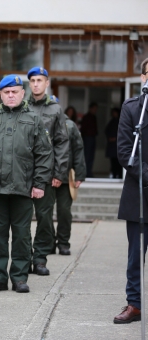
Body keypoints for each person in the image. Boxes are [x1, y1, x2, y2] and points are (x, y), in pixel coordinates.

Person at [0, 75, 52, 294]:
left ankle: (19, 277)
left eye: (14, 91)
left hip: (23, 189)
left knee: (21, 236)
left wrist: (39, 184)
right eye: (6, 92)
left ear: (22, 93)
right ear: (1, 94)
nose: (10, 95)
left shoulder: (33, 120)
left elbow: (44, 154)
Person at [114, 57, 148, 324]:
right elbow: (126, 152)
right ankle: (134, 304)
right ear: (143, 77)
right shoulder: (132, 108)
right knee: (136, 255)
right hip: (140, 194)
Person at [27, 67, 69, 276]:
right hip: (23, 173)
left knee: (44, 218)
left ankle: (40, 259)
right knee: (22, 220)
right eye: (32, 80)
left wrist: (59, 173)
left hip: (46, 173)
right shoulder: (21, 106)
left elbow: (62, 143)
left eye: (39, 80)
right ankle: (24, 258)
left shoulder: (55, 110)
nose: (36, 84)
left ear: (47, 83)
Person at [54, 109, 86, 256]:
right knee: (44, 214)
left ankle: (63, 243)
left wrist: (79, 174)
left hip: (66, 178)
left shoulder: (70, 126)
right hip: (45, 176)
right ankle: (47, 242)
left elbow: (78, 150)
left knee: (64, 212)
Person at [81, 102, 98, 177]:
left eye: (96, 109)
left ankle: (89, 172)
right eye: (94, 109)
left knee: (91, 156)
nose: (95, 111)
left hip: (92, 137)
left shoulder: (94, 117)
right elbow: (83, 129)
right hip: (87, 138)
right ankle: (86, 173)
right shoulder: (86, 117)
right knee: (87, 156)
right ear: (90, 109)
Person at [105, 108, 122, 179]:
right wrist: (110, 138)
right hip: (112, 145)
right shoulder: (111, 121)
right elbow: (106, 130)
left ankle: (119, 175)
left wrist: (116, 138)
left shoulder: (121, 121)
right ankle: (114, 174)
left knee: (119, 161)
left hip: (118, 145)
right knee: (113, 161)